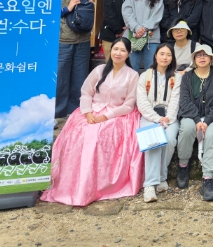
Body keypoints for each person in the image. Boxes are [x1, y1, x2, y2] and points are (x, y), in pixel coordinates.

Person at [41, 38, 142, 206]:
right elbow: (86, 93)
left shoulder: (132, 75)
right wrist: (87, 112)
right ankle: (72, 185)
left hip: (117, 114)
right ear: (111, 50)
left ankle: (93, 187)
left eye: (123, 50)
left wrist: (107, 116)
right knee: (80, 132)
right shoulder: (99, 70)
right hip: (92, 110)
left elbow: (129, 105)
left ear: (129, 53)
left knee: (98, 135)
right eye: (115, 49)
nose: (118, 53)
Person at [176, 44, 213, 201]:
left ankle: (207, 178)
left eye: (205, 55)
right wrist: (197, 120)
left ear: (211, 58)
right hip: (191, 116)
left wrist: (207, 121)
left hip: (212, 117)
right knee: (186, 129)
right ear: (194, 59)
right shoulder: (187, 77)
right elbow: (184, 101)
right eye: (199, 55)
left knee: (211, 136)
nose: (202, 57)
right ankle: (183, 165)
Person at [137, 43, 182, 203]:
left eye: (169, 55)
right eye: (162, 54)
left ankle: (162, 176)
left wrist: (167, 119)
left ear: (172, 58)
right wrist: (157, 118)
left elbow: (175, 101)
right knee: (153, 141)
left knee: (170, 140)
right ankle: (150, 184)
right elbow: (142, 102)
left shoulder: (177, 77)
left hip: (170, 117)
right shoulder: (145, 76)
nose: (165, 57)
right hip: (150, 116)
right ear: (155, 56)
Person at [57, 0, 97, 119]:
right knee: (61, 77)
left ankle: (74, 111)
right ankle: (58, 112)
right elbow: (47, 12)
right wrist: (67, 8)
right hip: (64, 39)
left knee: (80, 77)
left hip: (83, 40)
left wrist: (90, 6)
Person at [122, 0, 165, 72]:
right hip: (133, 37)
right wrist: (137, 27)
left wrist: (143, 28)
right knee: (131, 69)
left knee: (151, 69)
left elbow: (156, 17)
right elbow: (127, 13)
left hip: (151, 38)